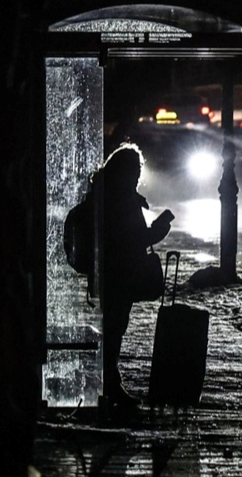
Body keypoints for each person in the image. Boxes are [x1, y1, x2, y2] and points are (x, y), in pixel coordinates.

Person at [99, 142, 173, 407]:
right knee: (115, 326)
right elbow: (135, 238)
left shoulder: (105, 193)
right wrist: (160, 228)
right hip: (121, 270)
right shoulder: (123, 200)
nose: (138, 176)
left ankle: (110, 379)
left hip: (109, 269)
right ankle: (110, 382)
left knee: (114, 325)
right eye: (135, 171)